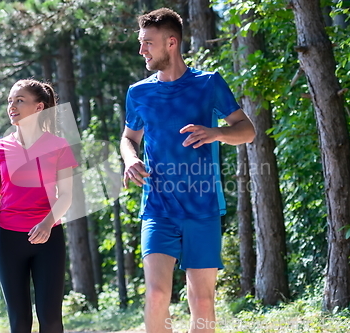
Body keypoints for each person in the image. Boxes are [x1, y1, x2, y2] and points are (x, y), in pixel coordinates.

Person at [120, 8, 256, 333]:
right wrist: (130, 159)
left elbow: (247, 130)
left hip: (202, 208)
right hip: (158, 208)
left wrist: (218, 133)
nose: (142, 51)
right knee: (155, 296)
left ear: (171, 43)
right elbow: (128, 138)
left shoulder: (208, 84)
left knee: (203, 301)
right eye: (141, 43)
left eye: (147, 43)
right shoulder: (138, 93)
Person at [0, 79, 77, 333]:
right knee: (19, 321)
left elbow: (66, 196)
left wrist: (47, 222)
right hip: (8, 240)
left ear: (39, 107)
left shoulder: (59, 147)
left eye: (20, 100)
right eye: (10, 101)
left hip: (48, 238)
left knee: (51, 319)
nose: (12, 106)